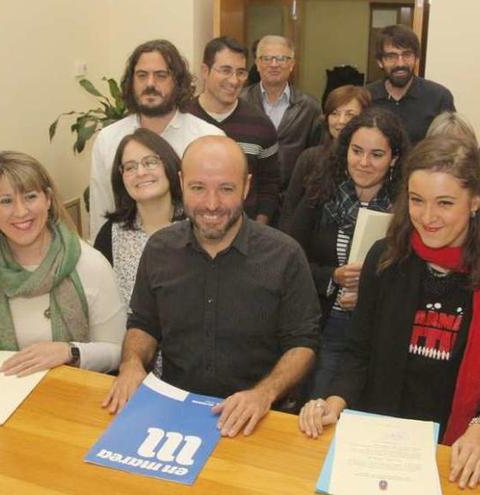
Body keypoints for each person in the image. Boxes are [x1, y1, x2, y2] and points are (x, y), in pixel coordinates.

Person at [298, 135, 480, 490]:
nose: (427, 217)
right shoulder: (385, 259)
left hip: (456, 449)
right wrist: (335, 402)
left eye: (444, 203)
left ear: (475, 200)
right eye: (417, 201)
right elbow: (359, 352)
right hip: (382, 443)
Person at [102, 136, 320, 438]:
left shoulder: (285, 255)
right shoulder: (159, 249)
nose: (211, 204)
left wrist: (263, 394)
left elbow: (303, 345)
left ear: (246, 186)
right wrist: (131, 363)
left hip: (259, 419)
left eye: (226, 189)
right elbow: (143, 324)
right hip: (175, 412)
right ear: (181, 183)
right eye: (198, 188)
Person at [0, 152, 126, 376]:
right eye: (6, 201)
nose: (21, 211)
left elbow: (118, 351)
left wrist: (70, 352)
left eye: (30, 196)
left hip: (70, 397)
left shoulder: (91, 265)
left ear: (48, 199)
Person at [286, 107, 409, 398]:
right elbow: (291, 258)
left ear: (394, 159)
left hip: (381, 333)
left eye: (377, 155)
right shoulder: (321, 193)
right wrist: (333, 277)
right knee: (320, 404)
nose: (364, 163)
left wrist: (371, 288)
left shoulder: (407, 206)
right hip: (329, 324)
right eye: (357, 151)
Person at [89, 39, 223, 240]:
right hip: (125, 253)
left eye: (161, 75)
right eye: (142, 76)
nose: (150, 84)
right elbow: (102, 208)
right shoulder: (108, 139)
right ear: (131, 82)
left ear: (177, 81)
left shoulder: (208, 138)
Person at [188, 36, 280, 224]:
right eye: (226, 71)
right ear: (205, 71)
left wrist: (257, 228)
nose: (234, 80)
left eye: (241, 73)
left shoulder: (261, 125)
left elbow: (270, 185)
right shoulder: (181, 119)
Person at [93, 129, 184, 307]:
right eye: (130, 167)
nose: (140, 173)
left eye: (150, 162)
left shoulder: (198, 225)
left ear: (169, 165)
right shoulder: (109, 235)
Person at [280, 85, 372, 229]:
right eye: (334, 113)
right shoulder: (310, 158)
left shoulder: (370, 163)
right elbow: (289, 210)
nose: (341, 121)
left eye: (350, 114)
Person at [240, 35, 321, 189]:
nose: (274, 64)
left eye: (281, 58)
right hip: (248, 194)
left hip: (293, 195)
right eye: (267, 58)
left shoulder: (310, 107)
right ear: (257, 64)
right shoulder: (239, 102)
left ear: (292, 64)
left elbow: (317, 159)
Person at [366, 25, 455, 145]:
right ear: (380, 62)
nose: (400, 63)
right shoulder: (366, 97)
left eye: (407, 55)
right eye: (391, 56)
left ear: (416, 59)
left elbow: (451, 146)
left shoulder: (439, 97)